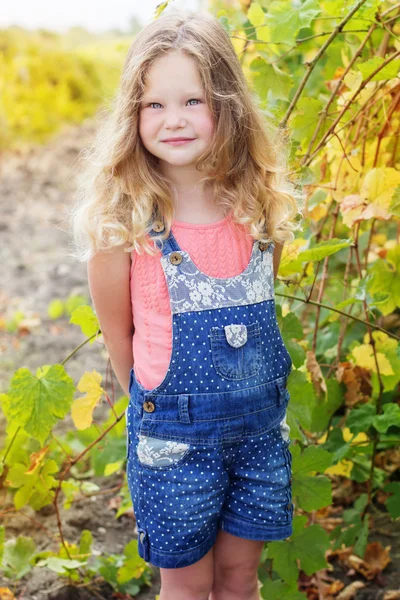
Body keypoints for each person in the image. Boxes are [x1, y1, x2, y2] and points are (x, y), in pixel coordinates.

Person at [69, 8, 303, 600]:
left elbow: (262, 311)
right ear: (133, 114)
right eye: (154, 105)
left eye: (192, 101)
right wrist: (156, 412)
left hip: (258, 436)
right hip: (175, 443)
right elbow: (119, 339)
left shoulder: (258, 213)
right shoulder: (125, 226)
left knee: (238, 579)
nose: (173, 120)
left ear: (227, 104)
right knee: (189, 583)